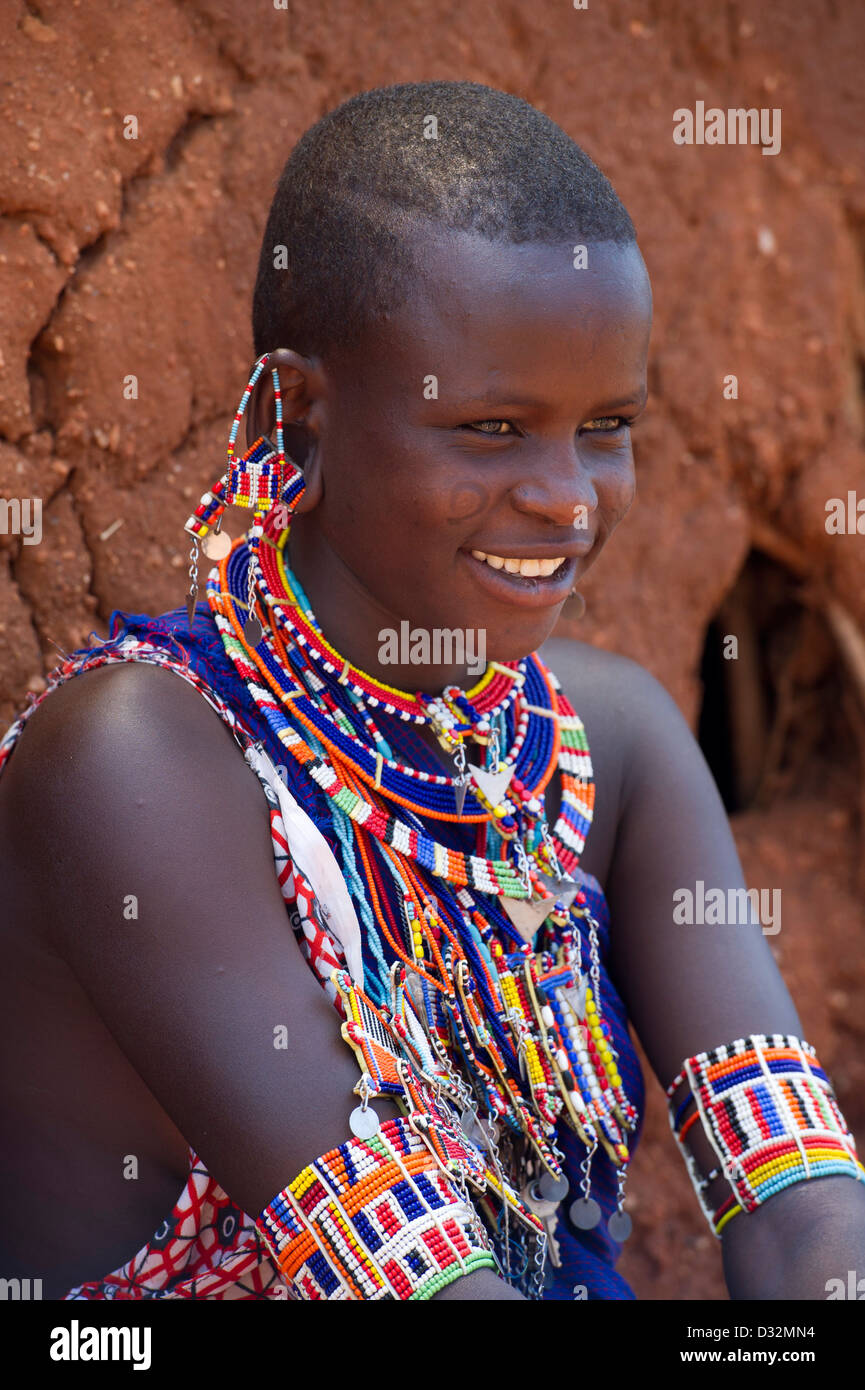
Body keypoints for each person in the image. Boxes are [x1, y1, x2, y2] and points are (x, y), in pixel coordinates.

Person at [1, 80, 863, 1303]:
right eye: (494, 429)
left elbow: (797, 1200)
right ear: (298, 418)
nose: (570, 498)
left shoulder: (604, 740)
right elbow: (414, 1278)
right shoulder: (134, 767)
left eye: (606, 424)